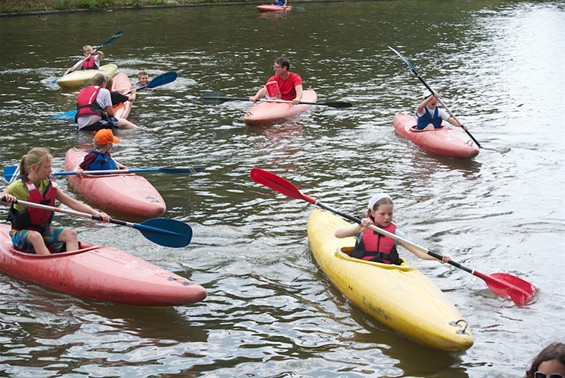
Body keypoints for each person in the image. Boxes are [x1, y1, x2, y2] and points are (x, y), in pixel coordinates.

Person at [0, 147, 110, 256]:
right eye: (47, 167)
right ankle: (50, 265)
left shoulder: (49, 185)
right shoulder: (19, 186)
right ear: (34, 168)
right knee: (35, 237)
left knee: (70, 233)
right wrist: (6, 197)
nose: (51, 170)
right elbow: (2, 196)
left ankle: (71, 263)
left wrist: (96, 213)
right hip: (21, 236)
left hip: (43, 232)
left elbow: (72, 203)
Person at [335, 193, 450, 265]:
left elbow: (420, 253)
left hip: (387, 270)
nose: (387, 217)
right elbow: (338, 234)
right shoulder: (363, 227)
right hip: (363, 267)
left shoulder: (395, 234)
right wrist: (358, 229)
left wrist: (439, 258)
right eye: (382, 214)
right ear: (373, 213)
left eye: (390, 214)